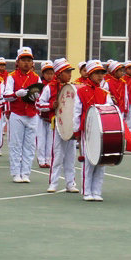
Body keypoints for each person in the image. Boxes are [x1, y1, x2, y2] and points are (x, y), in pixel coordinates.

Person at [73, 60, 113, 201]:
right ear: (90, 74)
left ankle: (97, 191)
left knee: (101, 161)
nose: (100, 76)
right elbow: (77, 112)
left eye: (102, 73)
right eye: (97, 73)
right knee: (89, 162)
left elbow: (110, 111)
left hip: (102, 131)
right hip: (87, 130)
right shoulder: (81, 91)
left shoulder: (105, 93)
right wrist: (77, 131)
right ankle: (86, 191)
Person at [37, 58, 79, 193]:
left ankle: (70, 183)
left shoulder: (72, 87)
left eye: (70, 72)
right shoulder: (49, 87)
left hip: (70, 126)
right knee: (57, 155)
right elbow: (38, 104)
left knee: (71, 156)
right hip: (57, 125)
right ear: (59, 73)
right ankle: (53, 183)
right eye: (67, 72)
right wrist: (51, 105)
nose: (70, 74)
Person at [4, 47, 40, 182]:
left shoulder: (36, 77)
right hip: (17, 114)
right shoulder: (12, 76)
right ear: (17, 62)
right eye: (23, 60)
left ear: (32, 63)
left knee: (30, 146)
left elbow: (41, 94)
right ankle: (16, 173)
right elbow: (6, 95)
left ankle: (26, 173)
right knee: (16, 144)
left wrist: (37, 97)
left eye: (29, 60)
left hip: (32, 114)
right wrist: (16, 94)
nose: (26, 63)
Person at [35, 60, 55, 168]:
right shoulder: (39, 86)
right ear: (43, 74)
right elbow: (38, 102)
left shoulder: (55, 86)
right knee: (41, 138)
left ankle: (49, 159)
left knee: (51, 140)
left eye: (51, 73)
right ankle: (41, 159)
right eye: (47, 73)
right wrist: (51, 106)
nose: (49, 76)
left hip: (51, 118)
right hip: (41, 116)